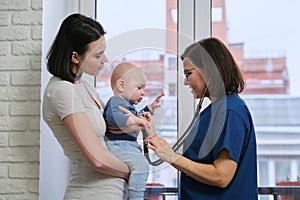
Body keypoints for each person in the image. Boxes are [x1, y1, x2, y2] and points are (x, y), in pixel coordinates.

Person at [42, 13, 148, 199]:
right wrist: (135, 172)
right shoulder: (63, 91)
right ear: (75, 57)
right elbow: (97, 160)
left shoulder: (84, 87)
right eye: (98, 55)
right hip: (91, 193)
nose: (105, 59)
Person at [144, 37, 258, 199]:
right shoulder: (217, 111)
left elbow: (221, 176)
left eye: (188, 73)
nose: (185, 81)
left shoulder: (230, 111)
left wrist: (171, 157)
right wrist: (153, 136)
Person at [103, 61, 164, 200]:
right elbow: (114, 117)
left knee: (140, 165)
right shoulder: (115, 102)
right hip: (117, 144)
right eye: (139, 87)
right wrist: (133, 121)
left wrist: (150, 108)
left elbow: (137, 117)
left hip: (125, 145)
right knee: (141, 165)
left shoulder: (127, 105)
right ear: (121, 85)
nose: (143, 92)